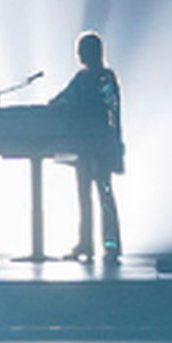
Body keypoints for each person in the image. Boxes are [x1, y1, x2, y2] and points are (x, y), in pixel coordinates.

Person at [48, 31, 122, 262]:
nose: (79, 55)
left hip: (100, 145)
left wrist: (116, 143)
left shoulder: (105, 78)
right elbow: (62, 99)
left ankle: (111, 245)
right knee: (84, 196)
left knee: (104, 194)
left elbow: (114, 112)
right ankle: (86, 244)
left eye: (82, 50)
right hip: (84, 147)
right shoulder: (81, 79)